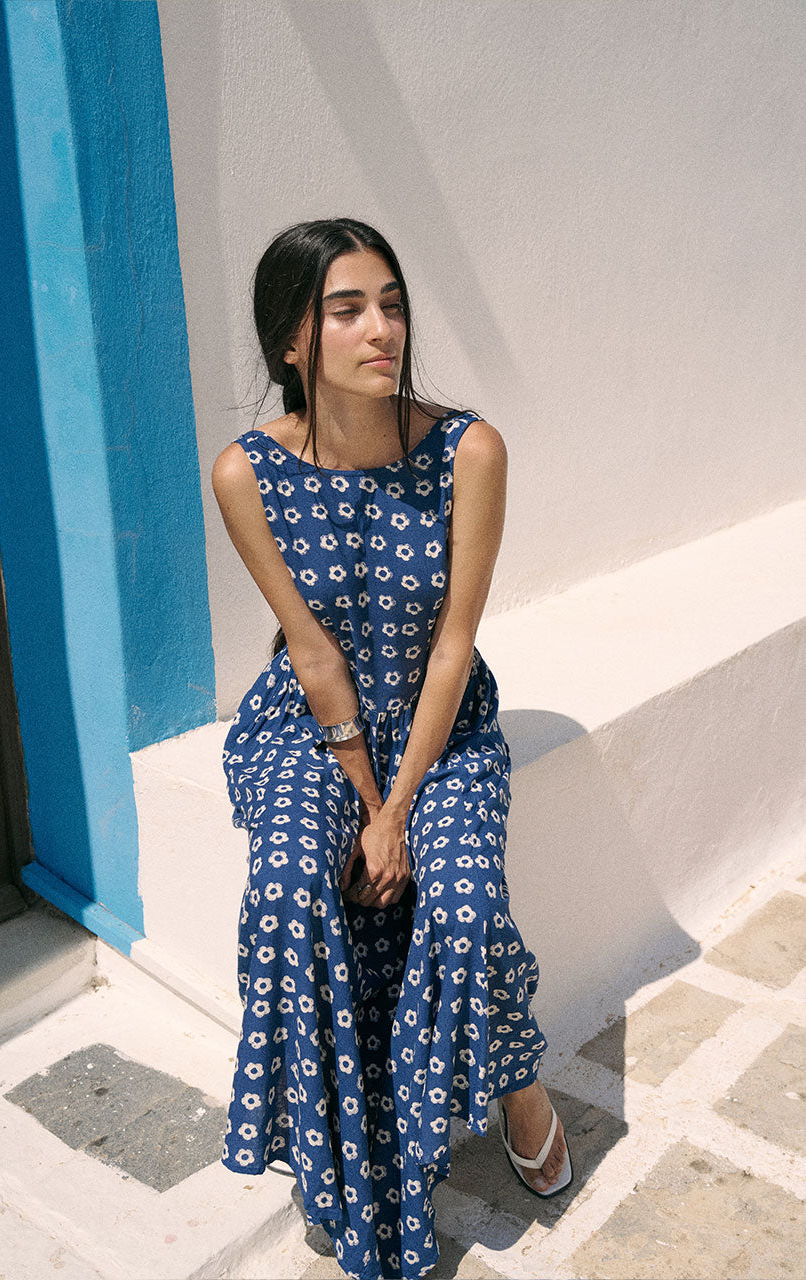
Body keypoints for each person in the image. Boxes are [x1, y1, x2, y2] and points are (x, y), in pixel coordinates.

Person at [211, 218, 572, 1280]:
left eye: (393, 302)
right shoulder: (246, 472)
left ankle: (518, 1080)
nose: (384, 328)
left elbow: (453, 642)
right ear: (290, 340)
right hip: (305, 728)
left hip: (440, 730)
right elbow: (314, 657)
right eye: (347, 308)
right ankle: (336, 1153)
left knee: (458, 902)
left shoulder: (469, 449)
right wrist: (361, 802)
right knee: (289, 886)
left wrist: (399, 808)